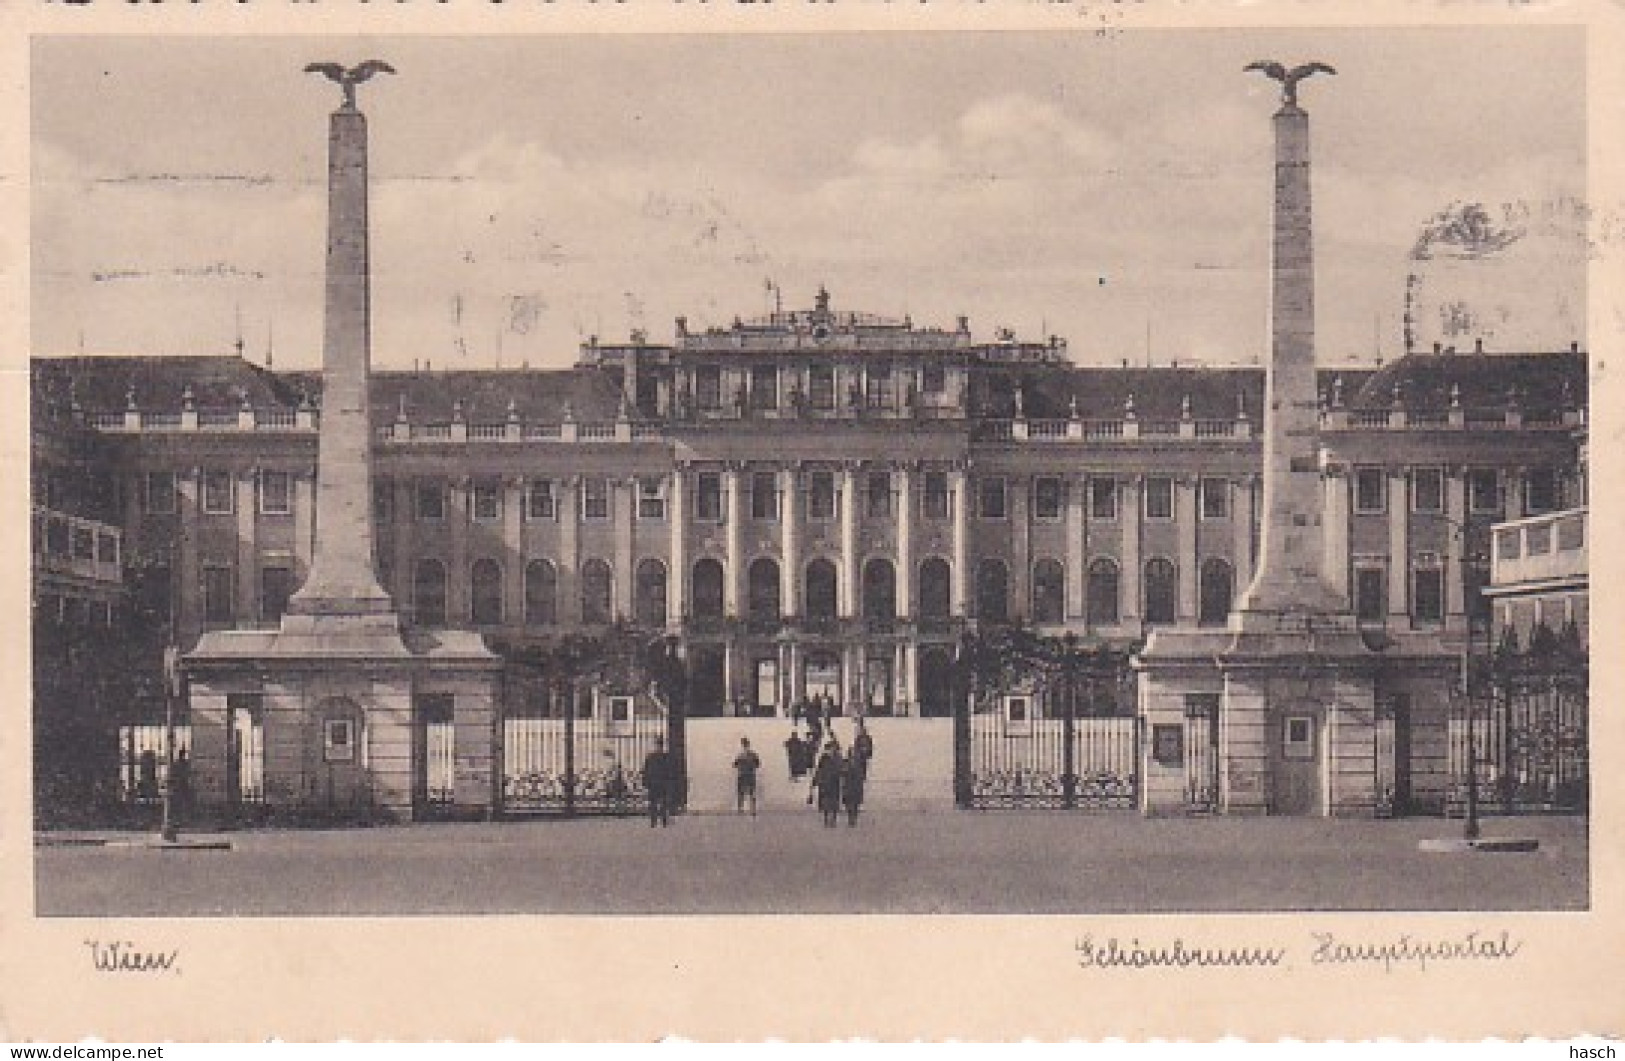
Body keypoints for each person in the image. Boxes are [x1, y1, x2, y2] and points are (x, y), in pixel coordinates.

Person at [641, 736, 677, 828]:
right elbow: (670, 771)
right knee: (662, 802)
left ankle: (655, 821)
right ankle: (662, 821)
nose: (659, 747)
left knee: (654, 803)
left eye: (659, 745)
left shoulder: (651, 757)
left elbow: (645, 771)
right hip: (662, 783)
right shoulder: (665, 757)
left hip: (655, 783)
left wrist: (645, 782)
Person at [809, 740, 845, 828]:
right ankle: (826, 819)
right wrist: (814, 782)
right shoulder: (824, 758)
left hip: (834, 783)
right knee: (825, 802)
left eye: (833, 748)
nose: (831, 750)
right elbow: (819, 770)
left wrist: (842, 776)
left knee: (834, 802)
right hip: (824, 783)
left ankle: (833, 820)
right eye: (829, 748)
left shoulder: (838, 758)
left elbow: (842, 769)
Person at [733, 737, 762, 816]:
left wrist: (742, 766)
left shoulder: (740, 755)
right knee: (751, 793)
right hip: (750, 774)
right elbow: (758, 764)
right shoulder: (752, 754)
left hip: (743, 774)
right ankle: (752, 810)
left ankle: (741, 809)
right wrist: (751, 766)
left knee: (742, 793)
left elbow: (735, 765)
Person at [841, 750, 866, 827]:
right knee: (849, 803)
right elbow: (842, 772)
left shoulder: (860, 763)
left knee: (855, 804)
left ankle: (853, 818)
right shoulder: (845, 762)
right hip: (848, 785)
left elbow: (862, 775)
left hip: (856, 786)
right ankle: (850, 818)